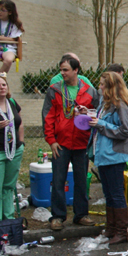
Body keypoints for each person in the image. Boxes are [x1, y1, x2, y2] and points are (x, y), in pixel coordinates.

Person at [43, 55, 99, 231]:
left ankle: (81, 215)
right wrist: (51, 140)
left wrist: (87, 112)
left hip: (81, 143)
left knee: (82, 181)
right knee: (58, 180)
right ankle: (58, 216)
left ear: (76, 70)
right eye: (61, 70)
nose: (62, 73)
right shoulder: (55, 90)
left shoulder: (90, 91)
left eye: (66, 70)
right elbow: (48, 116)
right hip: (61, 143)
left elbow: (97, 114)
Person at [89, 71, 128, 245]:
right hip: (104, 153)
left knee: (116, 193)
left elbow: (124, 131)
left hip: (114, 155)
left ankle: (122, 232)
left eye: (102, 84)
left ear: (110, 87)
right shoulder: (105, 104)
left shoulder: (121, 105)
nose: (99, 87)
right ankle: (111, 227)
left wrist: (100, 124)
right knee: (108, 192)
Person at [0, 74, 24, 220]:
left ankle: (8, 220)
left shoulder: (12, 102)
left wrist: (21, 142)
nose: (1, 88)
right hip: (0, 152)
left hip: (14, 150)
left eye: (3, 85)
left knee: (8, 187)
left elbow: (19, 122)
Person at [0, 0, 23, 74]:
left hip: (8, 48)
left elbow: (15, 39)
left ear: (10, 12)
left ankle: (1, 78)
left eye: (3, 10)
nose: (0, 12)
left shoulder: (15, 24)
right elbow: (11, 39)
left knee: (8, 60)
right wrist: (9, 39)